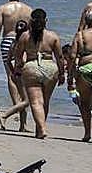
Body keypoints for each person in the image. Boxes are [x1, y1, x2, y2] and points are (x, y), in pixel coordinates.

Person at [10, 8, 65, 139]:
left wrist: (19, 67)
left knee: (35, 102)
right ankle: (40, 129)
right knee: (45, 101)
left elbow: (18, 54)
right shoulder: (53, 36)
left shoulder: (25, 36)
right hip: (50, 68)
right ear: (46, 21)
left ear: (31, 21)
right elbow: (60, 57)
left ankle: (41, 129)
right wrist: (62, 73)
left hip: (32, 66)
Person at [0, 0, 32, 122]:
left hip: (7, 40)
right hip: (24, 42)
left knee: (11, 76)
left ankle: (16, 105)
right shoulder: (29, 9)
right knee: (23, 76)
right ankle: (22, 109)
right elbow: (32, 30)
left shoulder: (3, 8)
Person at [68, 11, 92, 141]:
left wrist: (70, 76)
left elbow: (72, 56)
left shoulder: (80, 35)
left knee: (84, 103)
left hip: (84, 70)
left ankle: (88, 132)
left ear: (87, 21)